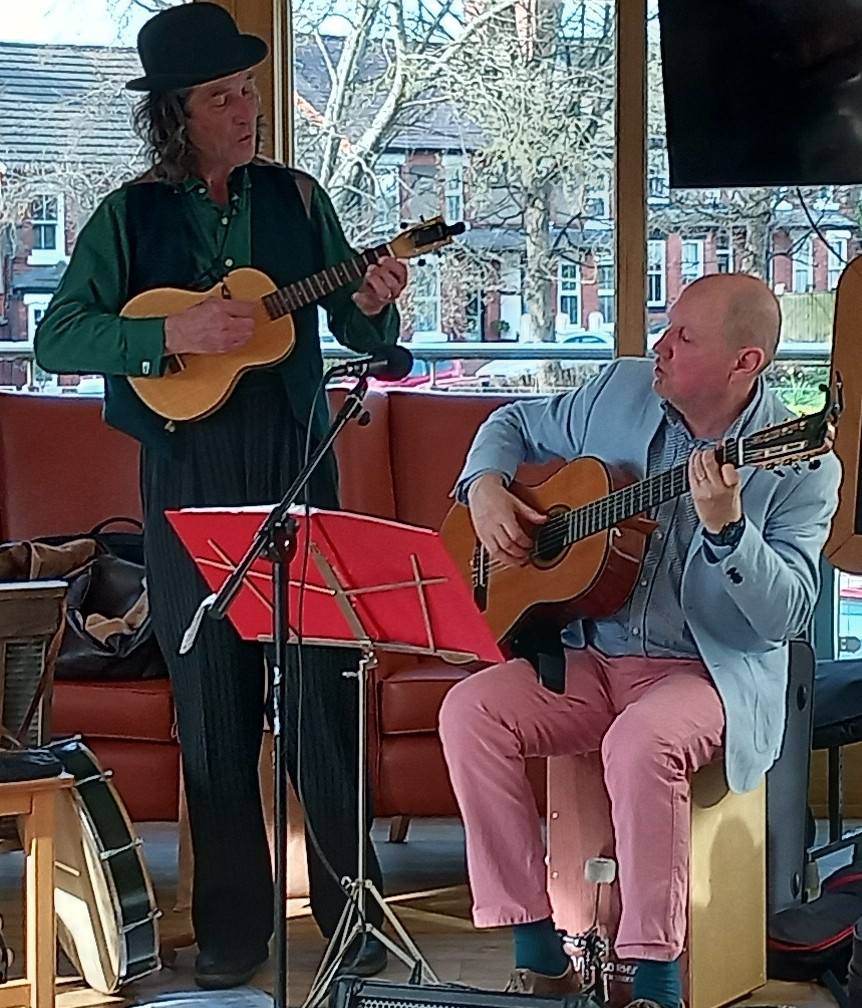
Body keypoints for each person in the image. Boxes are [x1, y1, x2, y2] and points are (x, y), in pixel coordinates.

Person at [35, 2, 407, 990]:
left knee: (324, 700)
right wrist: (166, 340)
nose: (247, 108)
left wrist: (373, 305)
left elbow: (363, 336)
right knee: (215, 711)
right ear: (175, 113)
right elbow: (58, 337)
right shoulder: (128, 216)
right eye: (221, 95)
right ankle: (236, 932)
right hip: (186, 476)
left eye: (247, 88)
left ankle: (350, 918)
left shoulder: (296, 200)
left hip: (293, 463)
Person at [439, 273, 841, 1008]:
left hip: (705, 675)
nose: (661, 345)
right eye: (667, 325)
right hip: (592, 656)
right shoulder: (616, 392)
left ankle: (655, 978)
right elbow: (510, 424)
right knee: (469, 713)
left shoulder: (803, 465)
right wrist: (486, 486)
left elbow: (785, 615)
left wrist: (728, 531)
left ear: (744, 363)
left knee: (641, 742)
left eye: (685, 337)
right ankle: (535, 948)